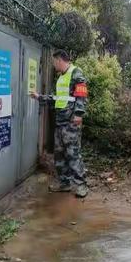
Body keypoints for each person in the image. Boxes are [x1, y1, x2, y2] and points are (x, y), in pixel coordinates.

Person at [30, 50, 89, 198]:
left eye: (54, 62)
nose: (53, 65)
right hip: (60, 121)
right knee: (59, 154)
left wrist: (78, 114)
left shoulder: (76, 73)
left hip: (71, 122)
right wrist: (39, 97)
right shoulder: (62, 77)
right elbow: (58, 97)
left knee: (73, 153)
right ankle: (65, 183)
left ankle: (81, 185)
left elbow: (81, 94)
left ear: (59, 60)